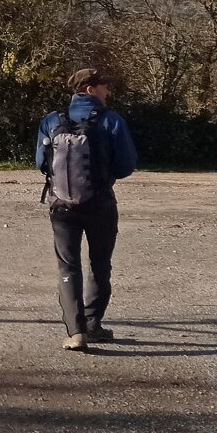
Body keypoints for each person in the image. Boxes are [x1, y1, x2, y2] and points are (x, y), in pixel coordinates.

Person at [34, 68, 139, 352]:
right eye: (105, 87)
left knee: (68, 265)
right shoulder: (111, 120)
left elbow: (40, 163)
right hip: (100, 202)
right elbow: (127, 164)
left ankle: (75, 331)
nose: (108, 92)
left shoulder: (51, 120)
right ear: (91, 89)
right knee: (99, 264)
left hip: (61, 206)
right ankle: (93, 325)